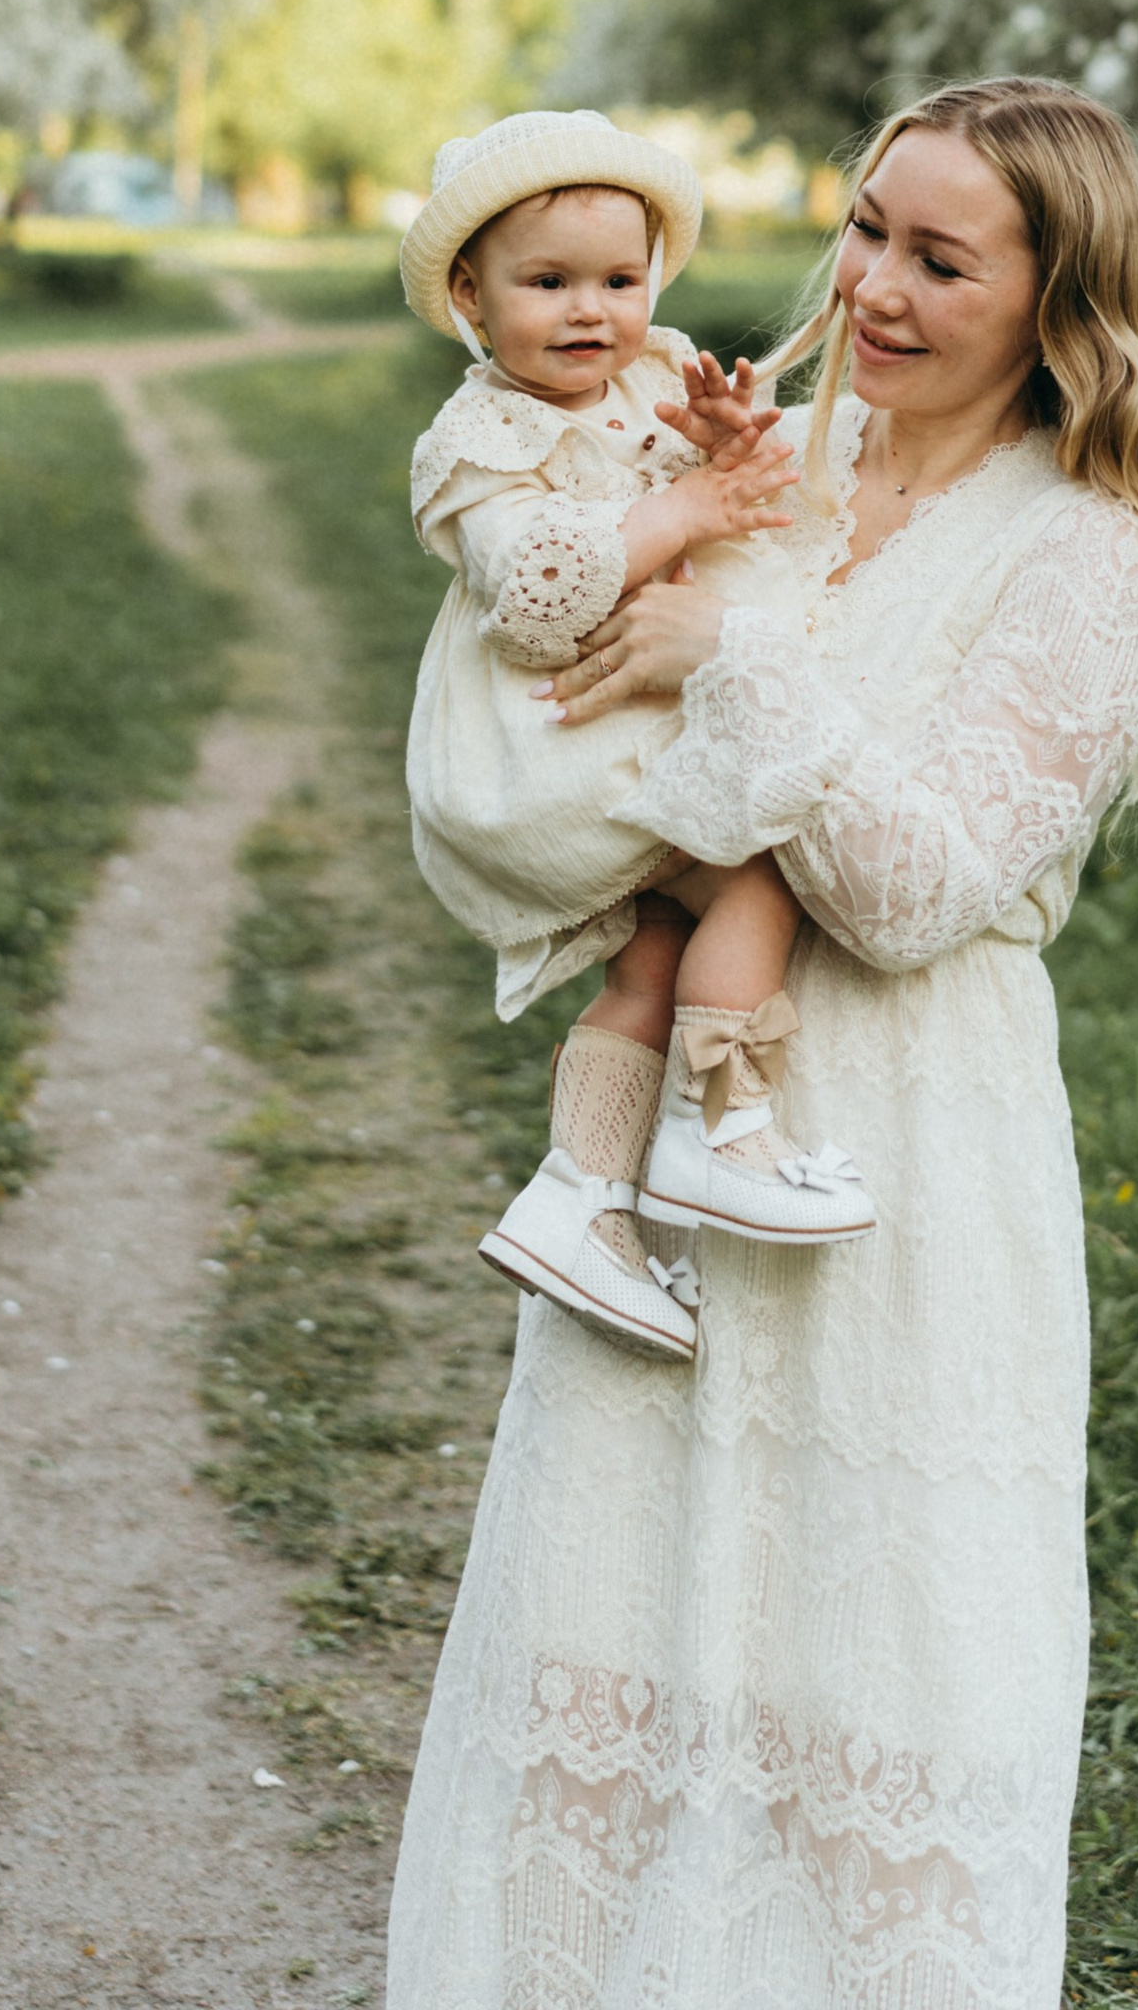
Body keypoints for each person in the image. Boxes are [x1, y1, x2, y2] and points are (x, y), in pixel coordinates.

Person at [387, 77, 1138, 2010]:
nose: (874, 288)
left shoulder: (1087, 555)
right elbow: (560, 691)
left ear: (1061, 306)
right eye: (868, 230)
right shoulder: (761, 453)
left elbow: (922, 884)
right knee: (616, 1635)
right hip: (674, 1179)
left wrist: (731, 658)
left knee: (876, 1682)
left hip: (902, 1173)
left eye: (942, 260)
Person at [399, 112, 877, 1372]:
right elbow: (542, 591)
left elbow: (739, 515)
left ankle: (580, 1195)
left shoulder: (645, 385)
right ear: (470, 293)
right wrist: (683, 502)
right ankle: (726, 1132)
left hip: (597, 735)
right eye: (545, 283)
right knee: (758, 873)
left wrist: (720, 450)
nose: (587, 312)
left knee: (657, 949)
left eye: (617, 281)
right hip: (544, 744)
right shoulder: (482, 439)